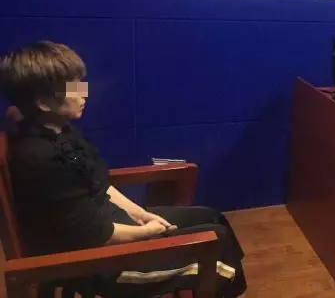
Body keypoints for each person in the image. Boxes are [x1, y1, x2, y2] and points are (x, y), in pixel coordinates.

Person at [0, 41, 247, 298]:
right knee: (215, 243)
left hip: (110, 227)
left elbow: (101, 185)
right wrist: (147, 232)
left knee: (212, 218)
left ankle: (227, 288)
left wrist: (142, 214)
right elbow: (94, 233)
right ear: (42, 102)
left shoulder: (57, 128)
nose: (84, 93)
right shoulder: (41, 159)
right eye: (72, 87)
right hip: (101, 263)